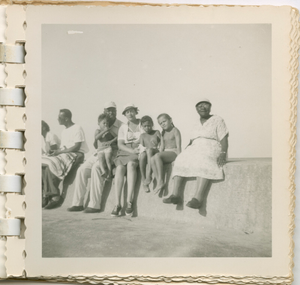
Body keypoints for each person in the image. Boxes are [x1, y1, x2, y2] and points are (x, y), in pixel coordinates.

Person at [163, 98, 229, 209]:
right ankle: (176, 195)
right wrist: (186, 152)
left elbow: (223, 138)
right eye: (199, 106)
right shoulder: (195, 123)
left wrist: (223, 152)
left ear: (210, 107)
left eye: (205, 105)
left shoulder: (218, 119)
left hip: (211, 146)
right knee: (180, 159)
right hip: (196, 147)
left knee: (203, 159)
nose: (202, 107)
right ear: (196, 109)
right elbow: (192, 140)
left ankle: (198, 198)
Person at [68, 102, 123, 214]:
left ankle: (94, 205)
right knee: (82, 170)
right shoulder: (101, 124)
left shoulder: (121, 125)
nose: (111, 112)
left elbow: (121, 142)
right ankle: (77, 204)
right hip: (98, 152)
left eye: (113, 110)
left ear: (116, 112)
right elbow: (95, 143)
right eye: (108, 110)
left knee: (96, 169)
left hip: (112, 153)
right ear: (104, 111)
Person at [42, 109, 89, 209]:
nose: (57, 119)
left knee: (53, 163)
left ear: (66, 119)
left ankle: (55, 196)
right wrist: (55, 152)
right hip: (66, 153)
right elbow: (64, 147)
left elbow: (76, 146)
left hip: (77, 154)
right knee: (45, 163)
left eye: (60, 117)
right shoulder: (64, 131)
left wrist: (59, 152)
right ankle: (46, 195)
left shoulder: (77, 128)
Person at [111, 103, 143, 217]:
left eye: (131, 111)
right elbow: (120, 144)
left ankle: (129, 201)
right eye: (127, 112)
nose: (129, 113)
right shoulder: (123, 127)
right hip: (125, 151)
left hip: (138, 150)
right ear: (124, 114)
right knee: (119, 168)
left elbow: (146, 138)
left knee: (131, 165)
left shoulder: (142, 123)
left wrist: (136, 149)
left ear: (136, 111)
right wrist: (131, 151)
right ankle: (117, 204)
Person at [151, 113, 181, 193]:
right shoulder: (163, 133)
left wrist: (179, 158)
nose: (162, 124)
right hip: (165, 153)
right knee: (152, 158)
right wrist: (157, 156)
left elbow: (178, 146)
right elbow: (162, 147)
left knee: (157, 156)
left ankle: (161, 181)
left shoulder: (175, 130)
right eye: (160, 123)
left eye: (164, 121)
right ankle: (159, 181)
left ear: (170, 120)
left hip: (173, 152)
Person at [138, 115, 161, 192]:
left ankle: (149, 175)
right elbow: (141, 148)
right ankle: (144, 180)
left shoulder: (156, 132)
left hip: (155, 151)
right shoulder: (142, 136)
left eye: (149, 125)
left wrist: (156, 144)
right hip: (147, 153)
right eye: (145, 126)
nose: (147, 128)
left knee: (150, 150)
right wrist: (145, 149)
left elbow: (161, 144)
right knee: (142, 155)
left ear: (152, 124)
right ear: (142, 126)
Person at [95, 113, 117, 180]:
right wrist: (104, 131)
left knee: (108, 159)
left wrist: (110, 141)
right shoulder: (98, 131)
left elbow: (116, 137)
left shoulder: (109, 131)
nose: (106, 124)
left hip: (107, 148)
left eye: (107, 123)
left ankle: (110, 173)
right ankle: (103, 172)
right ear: (99, 123)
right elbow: (97, 138)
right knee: (101, 159)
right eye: (104, 123)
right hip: (100, 149)